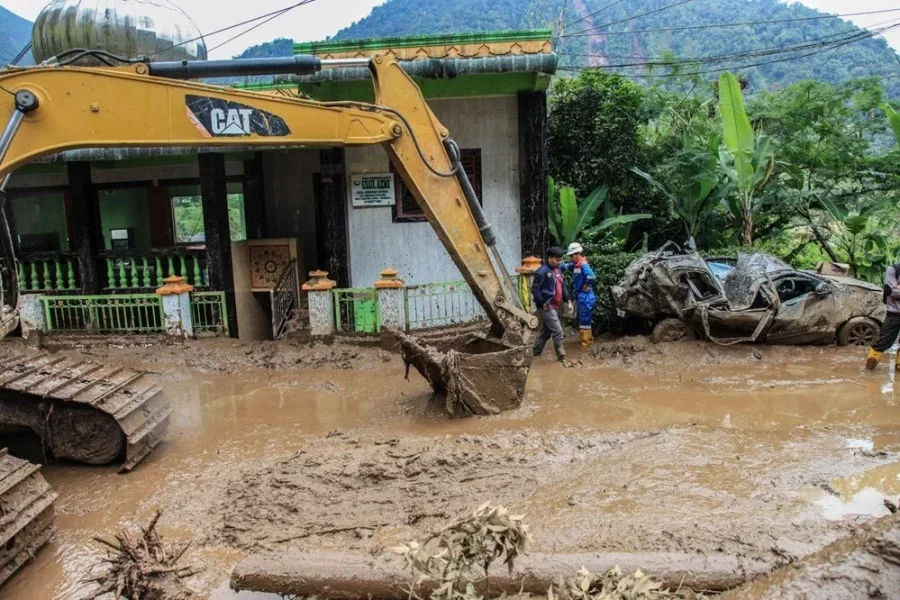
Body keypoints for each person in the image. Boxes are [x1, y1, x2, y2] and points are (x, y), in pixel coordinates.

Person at [532, 246, 571, 364]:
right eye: (557, 260)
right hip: (546, 305)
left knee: (547, 330)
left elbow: (562, 286)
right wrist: (542, 302)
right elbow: (534, 289)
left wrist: (568, 301)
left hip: (555, 305)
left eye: (560, 260)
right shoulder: (541, 272)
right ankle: (562, 357)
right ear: (549, 258)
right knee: (558, 331)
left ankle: (535, 352)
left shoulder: (557, 270)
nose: (559, 262)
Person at [866, 262, 900, 371]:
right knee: (882, 342)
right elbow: (892, 291)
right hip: (894, 312)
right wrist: (896, 289)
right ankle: (868, 371)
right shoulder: (893, 269)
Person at [563, 242, 596, 347]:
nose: (570, 258)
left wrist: (586, 284)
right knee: (583, 319)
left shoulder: (583, 265)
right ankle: (587, 340)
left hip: (585, 297)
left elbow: (591, 276)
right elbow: (566, 266)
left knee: (585, 320)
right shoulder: (577, 265)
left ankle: (586, 344)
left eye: (571, 256)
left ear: (577, 254)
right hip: (582, 297)